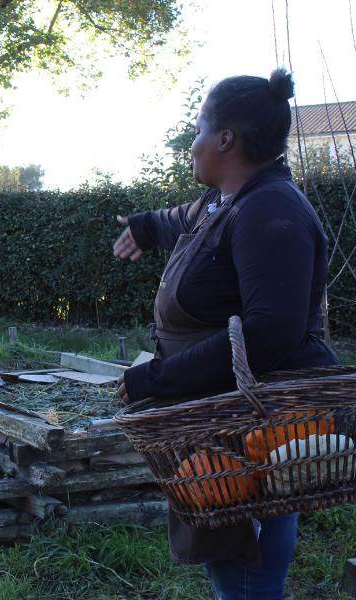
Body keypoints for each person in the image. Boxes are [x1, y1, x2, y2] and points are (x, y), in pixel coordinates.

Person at [112, 68, 339, 599]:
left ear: (225, 139)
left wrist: (159, 378)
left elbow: (270, 334)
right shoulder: (232, 199)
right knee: (241, 524)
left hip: (251, 416)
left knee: (244, 533)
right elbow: (184, 218)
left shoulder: (270, 210)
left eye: (197, 129)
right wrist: (146, 225)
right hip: (227, 415)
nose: (191, 144)